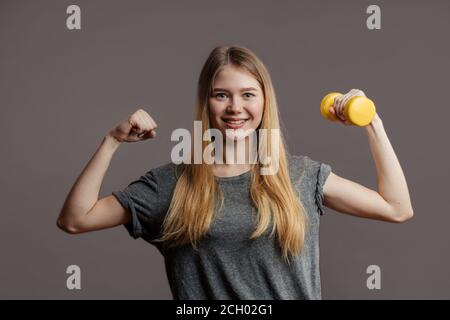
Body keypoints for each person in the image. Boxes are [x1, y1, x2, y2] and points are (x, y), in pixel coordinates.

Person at [57, 45, 414, 300]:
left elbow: (396, 208)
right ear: (206, 102)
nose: (235, 108)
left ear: (264, 102)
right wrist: (111, 140)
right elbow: (75, 219)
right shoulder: (171, 185)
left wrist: (372, 122)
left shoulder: (301, 176)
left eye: (248, 94)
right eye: (221, 95)